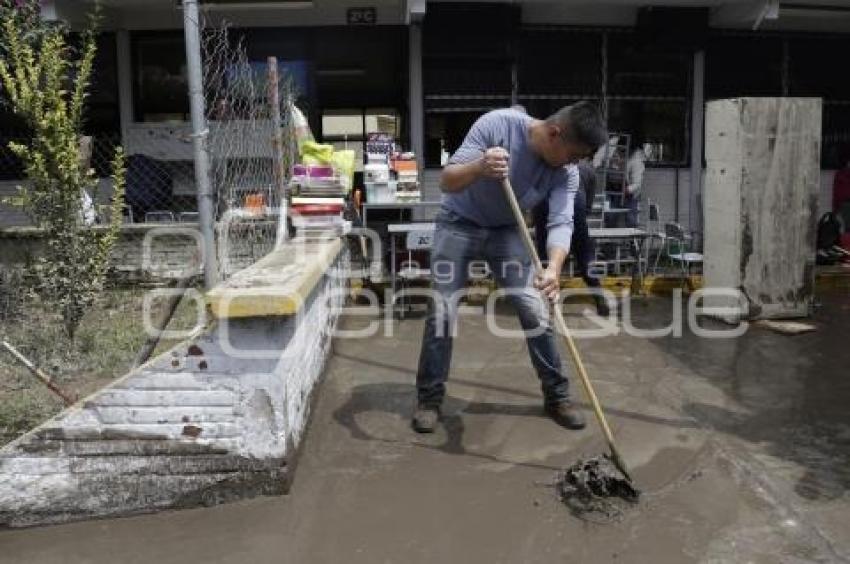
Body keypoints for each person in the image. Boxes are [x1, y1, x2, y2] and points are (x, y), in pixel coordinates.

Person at [413, 102, 608, 434]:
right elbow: (447, 181)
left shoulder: (566, 172)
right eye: (573, 155)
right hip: (458, 223)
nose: (574, 163)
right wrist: (479, 167)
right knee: (443, 310)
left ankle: (557, 396)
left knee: (536, 310)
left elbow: (563, 221)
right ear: (554, 133)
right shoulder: (497, 125)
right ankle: (429, 399)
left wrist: (553, 269)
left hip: (507, 232)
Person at [533, 159, 609, 317]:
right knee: (584, 255)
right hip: (576, 204)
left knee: (546, 258)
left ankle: (547, 305)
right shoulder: (588, 169)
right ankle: (599, 296)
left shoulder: (550, 159)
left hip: (546, 203)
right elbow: (588, 205)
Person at [624, 143, 646, 228]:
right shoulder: (632, 159)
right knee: (629, 217)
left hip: (633, 195)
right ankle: (632, 239)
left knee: (631, 218)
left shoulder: (636, 161)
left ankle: (633, 240)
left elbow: (637, 183)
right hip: (631, 193)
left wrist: (627, 190)